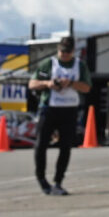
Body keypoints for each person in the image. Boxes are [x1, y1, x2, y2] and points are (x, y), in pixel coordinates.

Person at [33, 34, 84, 196]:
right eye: (62, 51)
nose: (65, 54)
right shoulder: (49, 64)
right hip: (49, 108)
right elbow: (32, 84)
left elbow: (87, 87)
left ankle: (58, 181)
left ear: (73, 51)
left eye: (68, 52)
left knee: (66, 146)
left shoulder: (79, 65)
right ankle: (41, 178)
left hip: (69, 109)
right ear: (58, 49)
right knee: (41, 144)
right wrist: (48, 83)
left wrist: (70, 83)